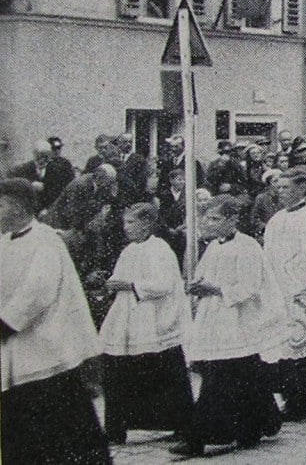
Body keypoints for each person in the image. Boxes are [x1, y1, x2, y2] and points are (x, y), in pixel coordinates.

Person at [0, 178, 110, 464]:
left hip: (47, 349)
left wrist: (5, 323)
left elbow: (38, 291)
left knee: (61, 426)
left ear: (19, 208)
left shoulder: (45, 239)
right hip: (17, 350)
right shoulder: (3, 242)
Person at [172, 195, 286, 457]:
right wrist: (197, 287)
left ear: (232, 219)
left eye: (214, 218)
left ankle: (201, 435)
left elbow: (249, 287)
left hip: (239, 319)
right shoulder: (214, 247)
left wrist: (213, 289)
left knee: (220, 377)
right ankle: (259, 423)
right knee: (244, 375)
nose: (207, 223)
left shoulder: (247, 247)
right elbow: (204, 275)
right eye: (206, 218)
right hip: (217, 318)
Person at [99, 202, 193, 444]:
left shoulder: (160, 249)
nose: (126, 228)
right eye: (125, 222)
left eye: (131, 222)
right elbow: (119, 277)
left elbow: (164, 284)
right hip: (127, 319)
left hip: (154, 319)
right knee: (118, 371)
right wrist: (112, 283)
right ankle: (116, 428)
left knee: (165, 372)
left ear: (147, 223)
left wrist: (131, 285)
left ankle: (180, 424)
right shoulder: (129, 250)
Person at [262, 169, 306, 422]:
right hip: (277, 291)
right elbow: (268, 255)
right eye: (278, 188)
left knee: (299, 344)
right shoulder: (276, 220)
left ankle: (300, 401)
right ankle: (287, 398)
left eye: (285, 187)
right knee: (281, 347)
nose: (280, 192)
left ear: (302, 189)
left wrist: (290, 280)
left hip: (301, 291)